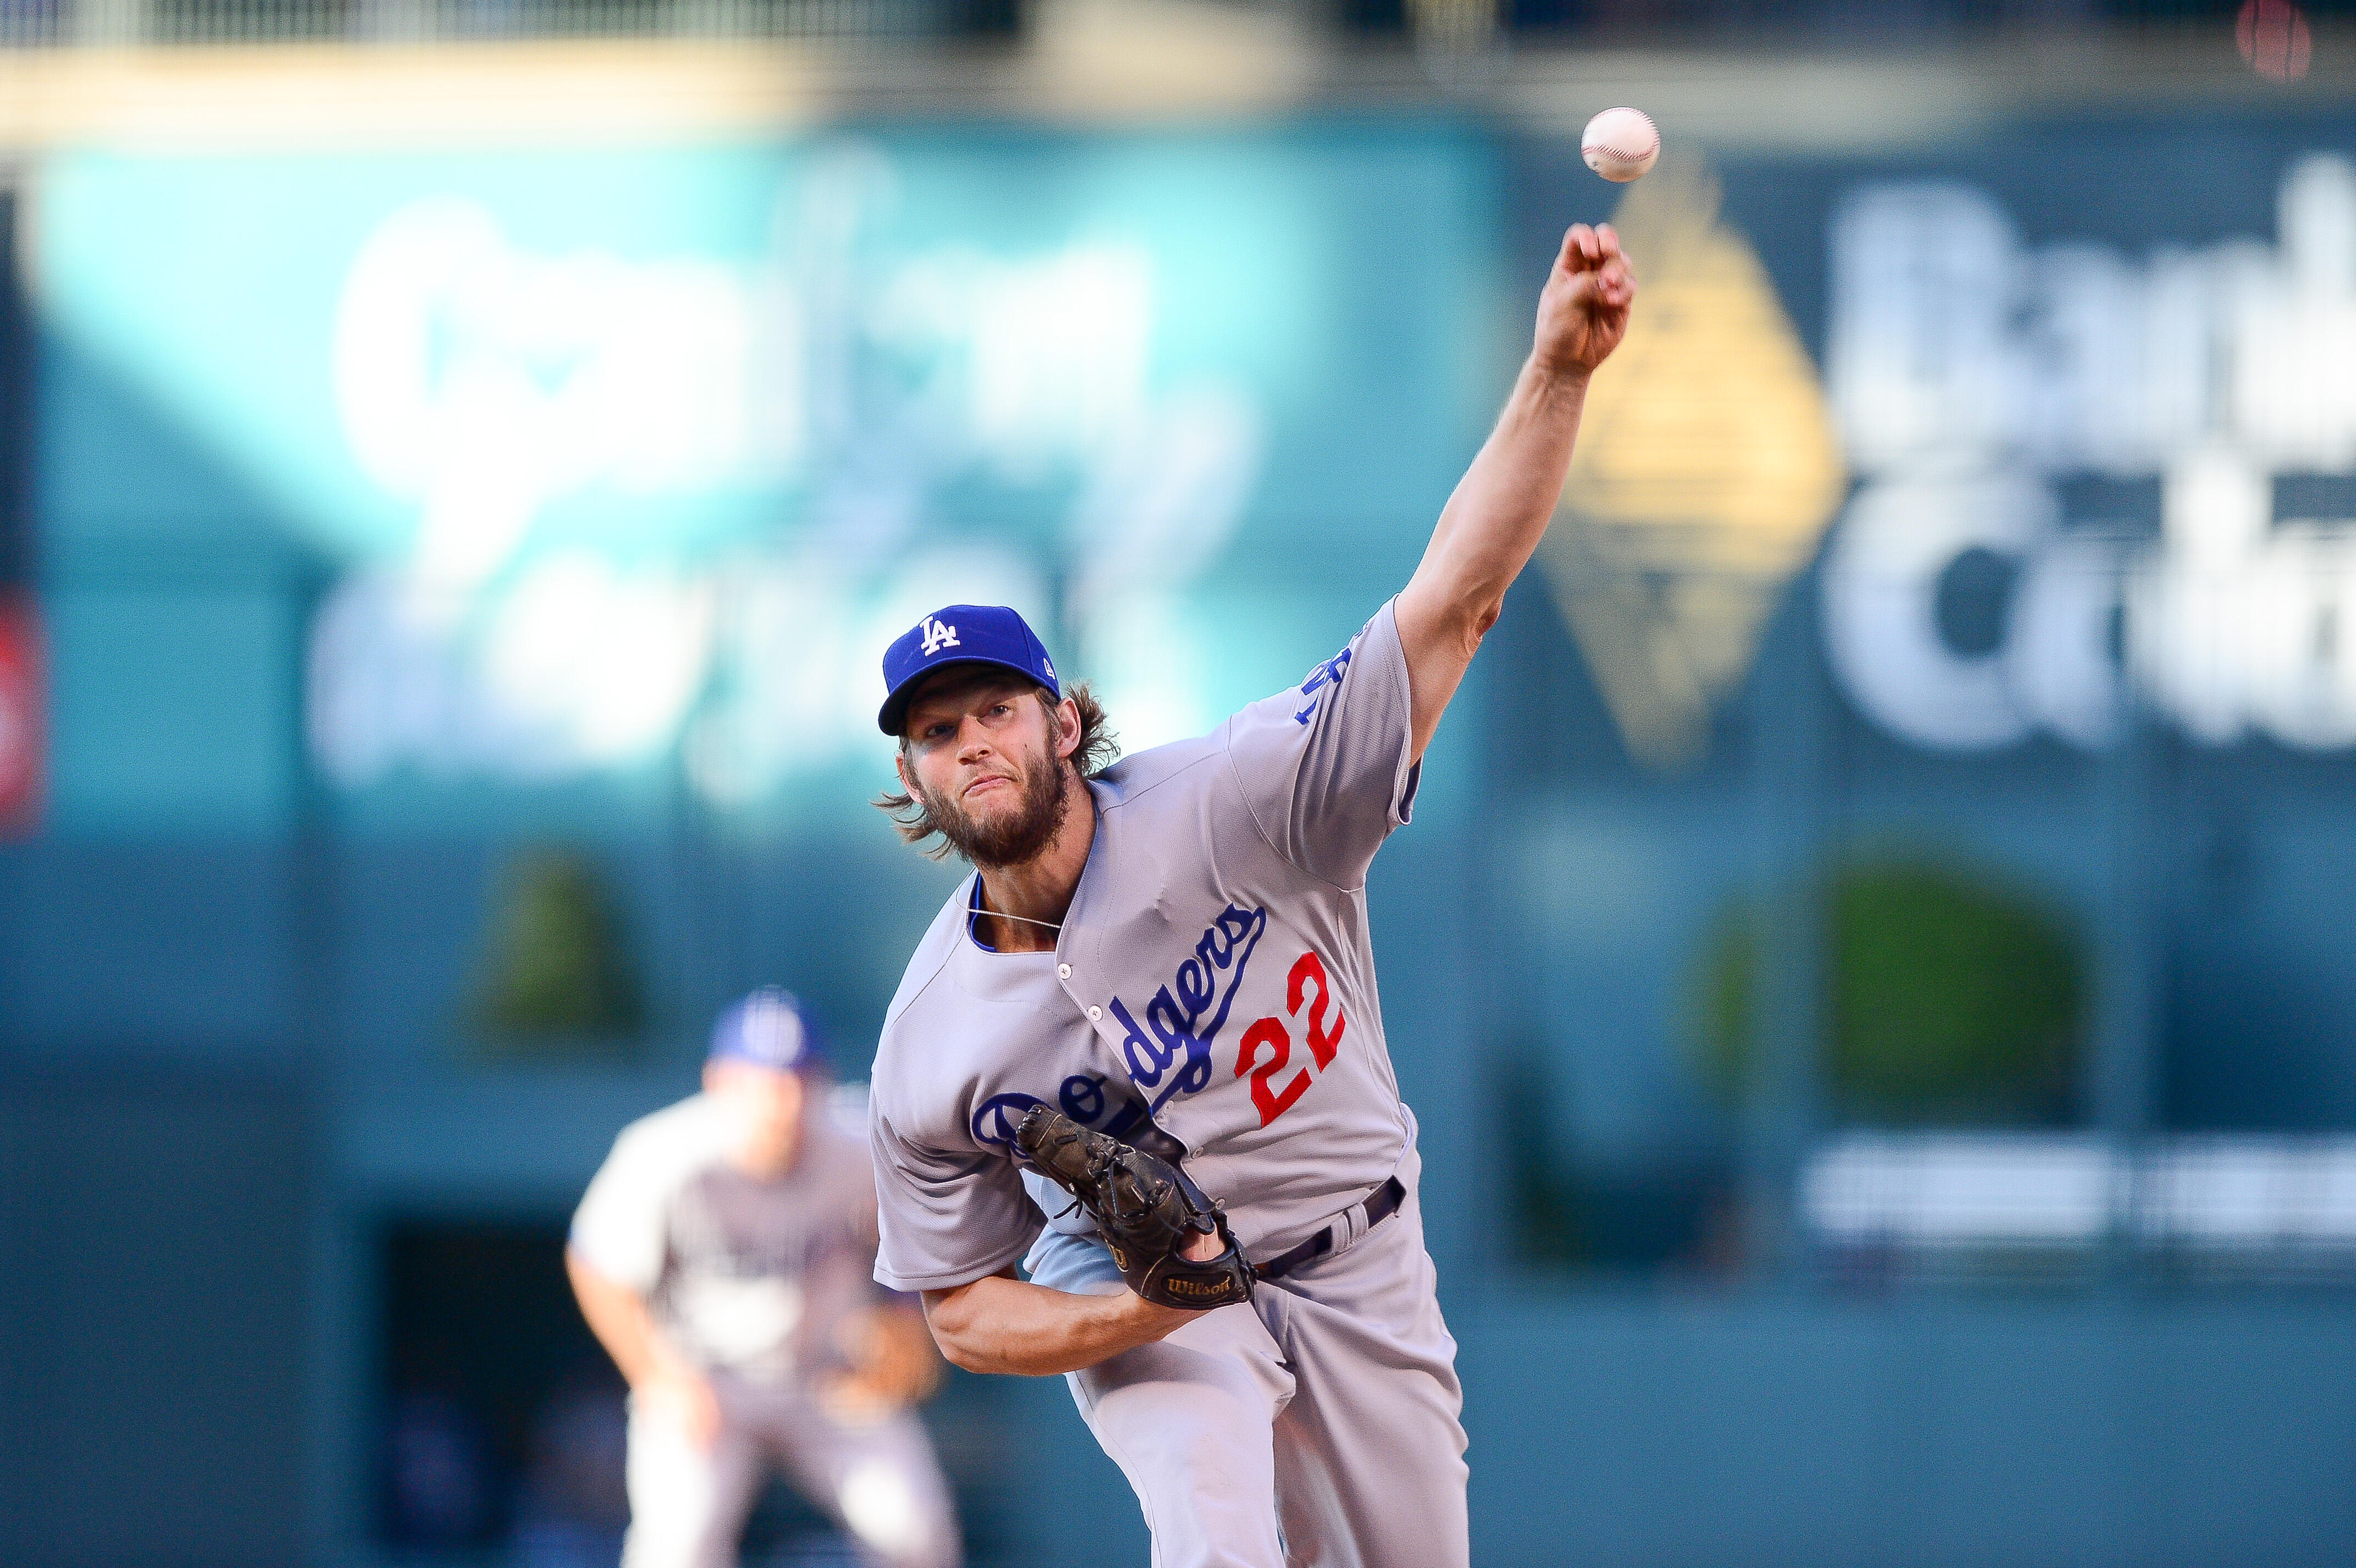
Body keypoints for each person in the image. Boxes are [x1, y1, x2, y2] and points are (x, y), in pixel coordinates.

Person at [862, 223, 1635, 1567]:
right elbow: (960, 1314)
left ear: (1060, 720)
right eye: (935, 731)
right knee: (1213, 1531)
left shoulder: (1239, 795)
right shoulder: (930, 1045)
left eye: (994, 707)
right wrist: (1144, 1311)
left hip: (1354, 1257)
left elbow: (1453, 600)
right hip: (1140, 1296)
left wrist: (1555, 372)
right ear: (914, 775)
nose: (970, 741)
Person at [567, 988, 962, 1568]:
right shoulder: (665, 1153)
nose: (781, 1101)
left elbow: (916, 1238)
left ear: (822, 1081)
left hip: (827, 1381)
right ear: (716, 1080)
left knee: (915, 1536)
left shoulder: (861, 1144)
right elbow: (595, 1263)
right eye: (760, 1082)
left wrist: (905, 1324)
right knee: (675, 1546)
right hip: (708, 1383)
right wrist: (656, 1375)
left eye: (797, 1080)